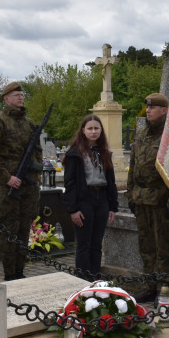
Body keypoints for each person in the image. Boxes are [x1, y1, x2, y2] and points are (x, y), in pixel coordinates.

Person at [0, 82, 43, 281]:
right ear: (6, 98)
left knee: (25, 230)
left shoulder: (29, 123)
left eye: (22, 94)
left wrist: (34, 177)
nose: (21, 97)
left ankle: (20, 271)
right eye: (16, 94)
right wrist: (7, 177)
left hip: (28, 187)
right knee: (9, 232)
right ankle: (10, 275)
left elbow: (38, 154)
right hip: (9, 188)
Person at [126, 93, 169, 304]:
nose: (147, 111)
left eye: (153, 108)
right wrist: (130, 194)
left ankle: (164, 289)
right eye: (147, 107)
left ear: (163, 111)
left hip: (160, 199)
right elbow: (133, 166)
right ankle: (149, 286)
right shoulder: (140, 134)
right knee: (146, 246)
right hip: (141, 199)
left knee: (163, 248)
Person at [62, 114, 118, 278]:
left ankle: (95, 277)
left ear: (101, 130)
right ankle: (83, 280)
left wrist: (112, 206)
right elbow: (69, 183)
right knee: (84, 244)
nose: (93, 132)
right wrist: (73, 209)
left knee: (96, 243)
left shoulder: (104, 152)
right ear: (83, 131)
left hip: (101, 200)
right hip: (84, 200)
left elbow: (111, 181)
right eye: (90, 128)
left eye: (96, 128)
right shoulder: (75, 154)